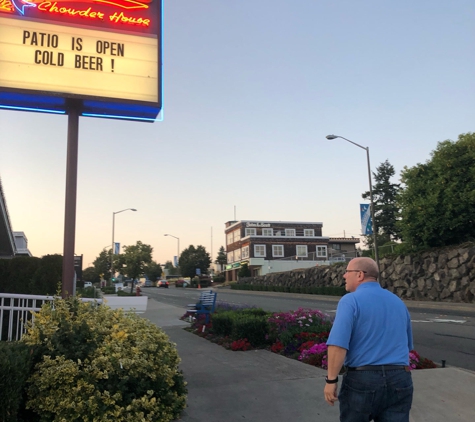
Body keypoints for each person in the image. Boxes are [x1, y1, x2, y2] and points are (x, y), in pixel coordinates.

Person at [324, 257, 413, 422]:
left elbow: (337, 345)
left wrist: (331, 380)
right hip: (400, 378)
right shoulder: (398, 302)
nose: (344, 276)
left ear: (359, 275)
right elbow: (407, 345)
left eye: (347, 271)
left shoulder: (350, 301)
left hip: (363, 379)